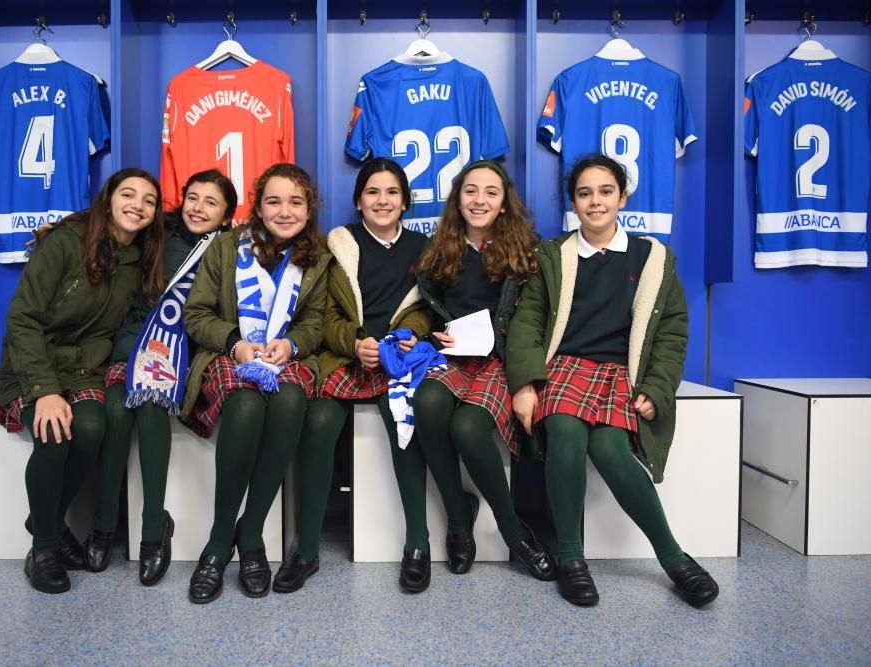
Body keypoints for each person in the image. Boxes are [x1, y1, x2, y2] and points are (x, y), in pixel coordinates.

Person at [506, 154, 719, 608]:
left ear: (623, 197)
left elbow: (673, 331)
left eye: (605, 191)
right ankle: (571, 559)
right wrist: (525, 383)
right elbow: (528, 321)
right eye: (585, 193)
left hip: (621, 374)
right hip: (564, 367)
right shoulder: (554, 255)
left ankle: (674, 558)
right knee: (563, 428)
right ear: (574, 202)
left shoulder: (653, 258)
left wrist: (657, 389)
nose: (595, 201)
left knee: (609, 449)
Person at [0, 168, 166, 594]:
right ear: (107, 200)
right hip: (32, 367)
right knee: (54, 434)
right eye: (128, 194)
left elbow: (190, 224)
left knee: (92, 427)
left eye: (149, 200)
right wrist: (44, 391)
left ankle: (42, 514)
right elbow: (22, 319)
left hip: (84, 371)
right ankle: (44, 547)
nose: (137, 204)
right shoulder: (66, 243)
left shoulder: (141, 260)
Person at [274, 158, 432, 594]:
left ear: (405, 202)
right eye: (373, 193)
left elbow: (427, 310)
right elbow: (321, 317)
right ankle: (306, 549)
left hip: (397, 362)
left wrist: (408, 336)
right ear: (358, 201)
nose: (383, 201)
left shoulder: (424, 249)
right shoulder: (336, 247)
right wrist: (356, 342)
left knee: (404, 424)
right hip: (347, 358)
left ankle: (418, 542)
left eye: (392, 193)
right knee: (320, 423)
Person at [181, 163, 331, 603]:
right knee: (245, 408)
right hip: (233, 352)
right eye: (274, 201)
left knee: (288, 402)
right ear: (258, 207)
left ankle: (251, 534)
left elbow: (315, 322)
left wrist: (292, 345)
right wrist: (235, 344)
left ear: (309, 208)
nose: (285, 211)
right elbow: (197, 314)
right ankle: (219, 539)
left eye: (295, 202)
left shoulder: (318, 256)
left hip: (286, 358)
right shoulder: (227, 247)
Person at [86, 170, 238, 585]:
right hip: (136, 341)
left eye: (211, 202)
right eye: (192, 197)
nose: (198, 207)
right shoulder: (156, 232)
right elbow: (105, 222)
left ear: (227, 214)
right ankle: (104, 521)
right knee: (116, 412)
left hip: (186, 349)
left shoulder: (230, 248)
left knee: (151, 406)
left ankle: (153, 527)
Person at [413, 160, 555, 586]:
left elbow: (536, 318)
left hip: (498, 359)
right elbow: (425, 310)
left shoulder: (526, 252)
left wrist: (503, 348)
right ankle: (459, 518)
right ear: (457, 199)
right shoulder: (440, 249)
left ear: (504, 203)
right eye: (470, 191)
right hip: (455, 358)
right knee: (429, 403)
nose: (480, 200)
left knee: (469, 429)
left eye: (491, 192)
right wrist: (428, 335)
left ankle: (515, 532)